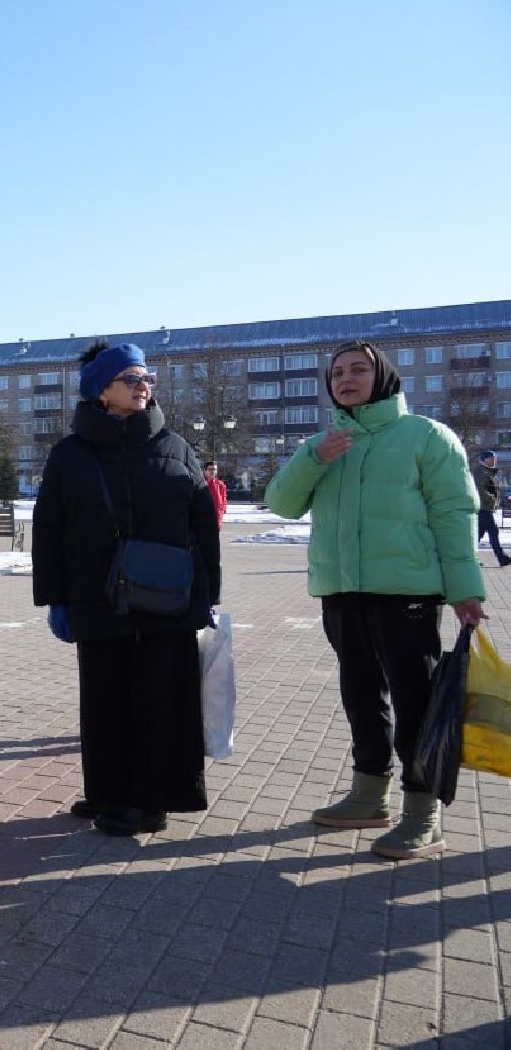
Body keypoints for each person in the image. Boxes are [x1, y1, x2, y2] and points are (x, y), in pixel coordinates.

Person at [266, 340, 485, 860]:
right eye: (337, 372)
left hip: (406, 592)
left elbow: (454, 515)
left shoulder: (425, 437)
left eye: (358, 369)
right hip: (342, 592)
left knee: (416, 703)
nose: (346, 378)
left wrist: (465, 590)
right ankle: (368, 796)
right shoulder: (325, 443)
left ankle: (423, 815)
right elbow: (281, 503)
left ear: (382, 376)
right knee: (361, 697)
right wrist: (314, 459)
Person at [32, 340, 220, 838]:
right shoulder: (70, 454)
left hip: (168, 601)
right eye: (130, 379)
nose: (143, 387)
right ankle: (110, 791)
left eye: (146, 379)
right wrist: (56, 597)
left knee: (162, 700)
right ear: (101, 391)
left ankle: (150, 802)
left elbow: (203, 527)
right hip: (98, 597)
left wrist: (209, 597)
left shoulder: (175, 446)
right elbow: (49, 528)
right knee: (105, 700)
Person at [472, 450, 510, 568]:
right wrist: (492, 499)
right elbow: (479, 490)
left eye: (494, 458)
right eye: (491, 458)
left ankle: (470, 559)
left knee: (479, 534)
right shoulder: (480, 472)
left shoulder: (486, 471)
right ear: (484, 459)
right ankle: (501, 558)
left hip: (485, 508)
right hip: (483, 508)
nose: (494, 460)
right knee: (492, 532)